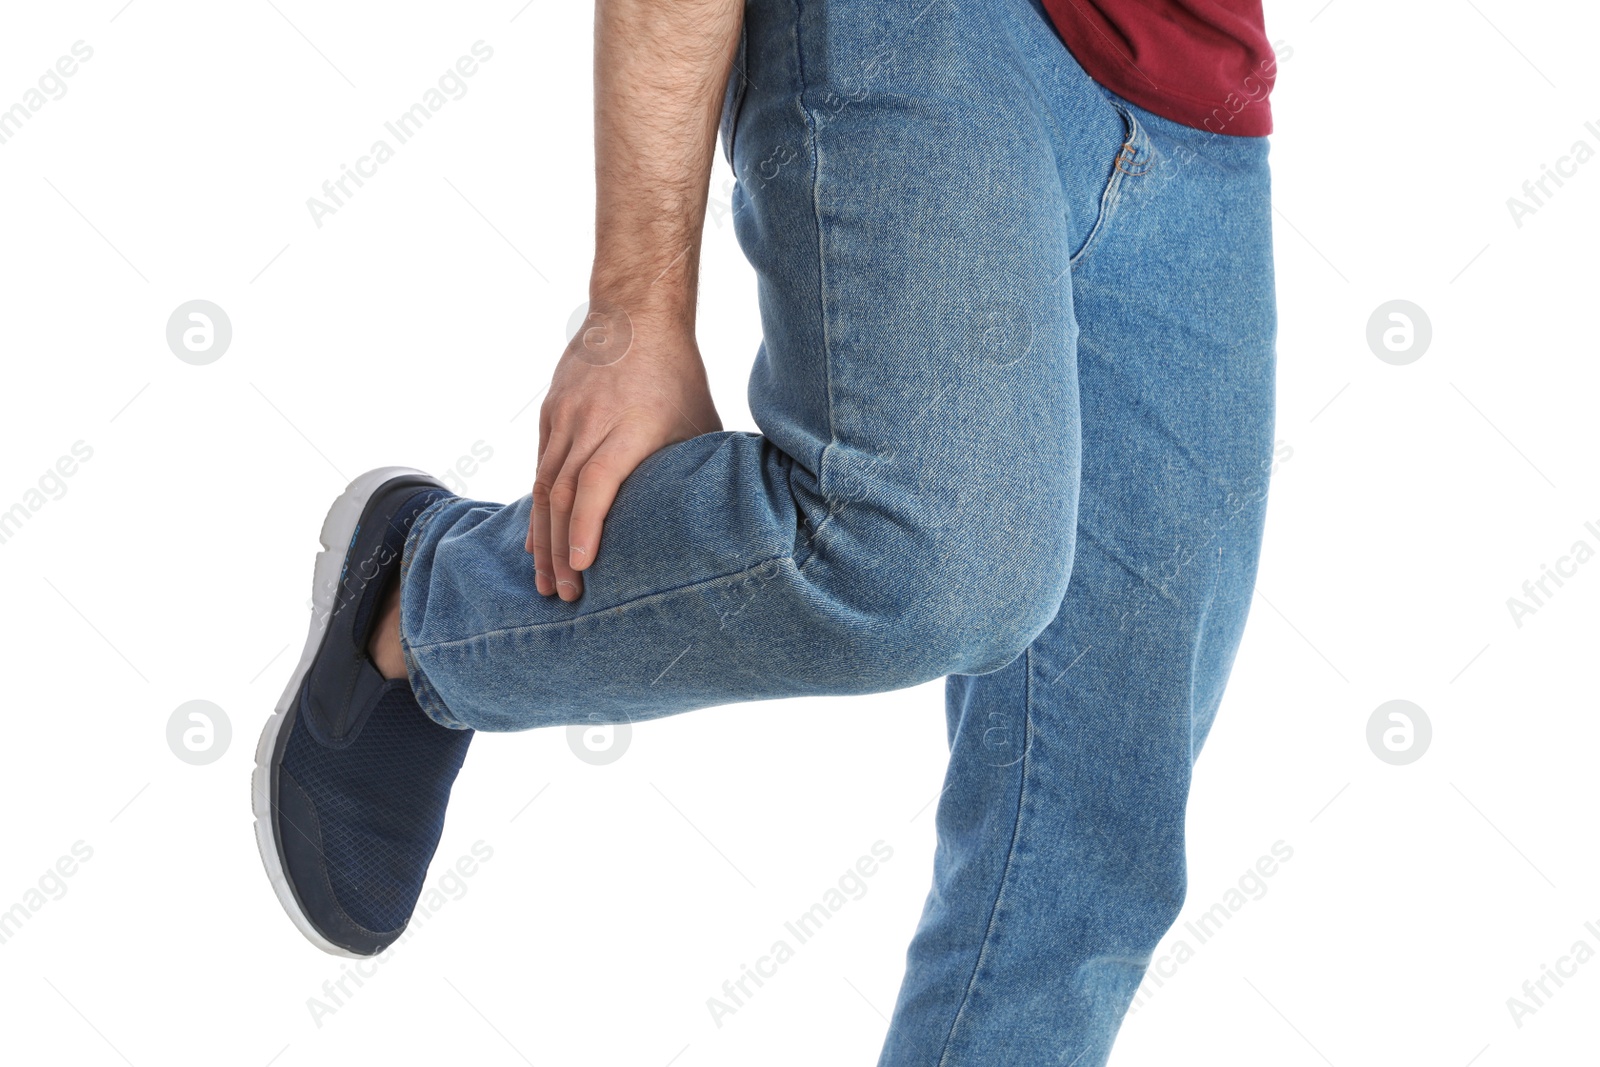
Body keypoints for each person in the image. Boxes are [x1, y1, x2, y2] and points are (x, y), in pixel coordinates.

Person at [252, 0, 1280, 1061]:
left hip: (1198, 97)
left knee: (1090, 843)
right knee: (926, 559)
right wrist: (635, 306)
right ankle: (426, 611)